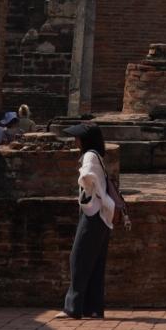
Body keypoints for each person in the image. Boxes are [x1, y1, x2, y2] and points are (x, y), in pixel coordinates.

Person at [62, 126, 127, 320]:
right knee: (96, 262)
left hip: (94, 213)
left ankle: (73, 308)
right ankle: (93, 308)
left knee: (78, 258)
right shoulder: (97, 154)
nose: (75, 141)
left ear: (85, 140)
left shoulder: (90, 156)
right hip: (103, 215)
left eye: (78, 138)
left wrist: (87, 185)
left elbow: (88, 177)